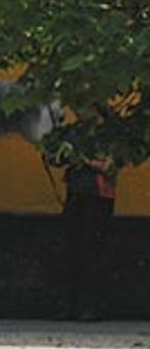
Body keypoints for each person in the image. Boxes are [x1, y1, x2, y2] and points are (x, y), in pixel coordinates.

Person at [61, 128, 117, 321]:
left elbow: (110, 166)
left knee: (92, 249)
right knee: (72, 248)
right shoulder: (73, 133)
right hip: (76, 193)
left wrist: (82, 159)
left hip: (98, 196)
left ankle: (91, 305)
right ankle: (72, 304)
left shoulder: (108, 135)